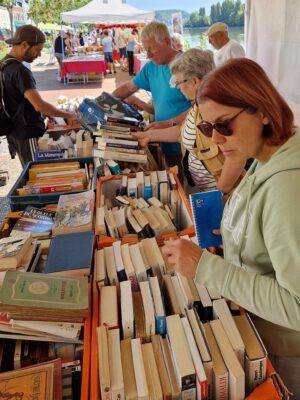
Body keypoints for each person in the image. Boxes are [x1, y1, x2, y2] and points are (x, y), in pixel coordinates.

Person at [162, 57, 300, 397]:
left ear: (263, 110)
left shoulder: (286, 186)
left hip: (284, 350)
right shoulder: (266, 156)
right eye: (207, 129)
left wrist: (206, 268)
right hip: (258, 331)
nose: (217, 140)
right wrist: (235, 241)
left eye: (224, 125)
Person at [132, 48, 244, 194]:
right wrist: (149, 136)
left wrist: (220, 194)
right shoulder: (200, 104)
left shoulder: (217, 108)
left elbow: (236, 156)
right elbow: (183, 130)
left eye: (179, 83)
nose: (179, 89)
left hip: (221, 195)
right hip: (204, 189)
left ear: (195, 81)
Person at [112, 21, 191, 173]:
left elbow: (200, 108)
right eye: (145, 49)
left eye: (152, 49)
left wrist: (170, 123)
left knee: (189, 185)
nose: (148, 55)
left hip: (186, 144)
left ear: (167, 42)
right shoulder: (151, 67)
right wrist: (104, 101)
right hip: (162, 141)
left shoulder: (187, 65)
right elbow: (129, 87)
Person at [3, 25, 77, 166]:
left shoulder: (4, 65)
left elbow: (16, 98)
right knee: (35, 171)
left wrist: (45, 113)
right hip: (27, 132)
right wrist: (68, 115)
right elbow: (39, 105)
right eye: (37, 50)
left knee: (30, 170)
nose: (39, 55)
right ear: (24, 45)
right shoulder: (20, 71)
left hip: (14, 131)